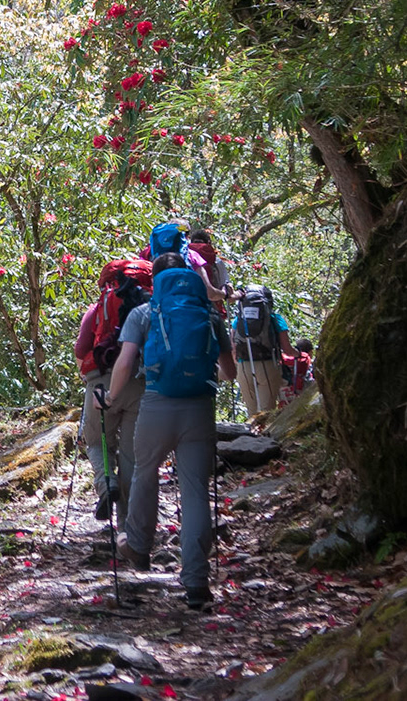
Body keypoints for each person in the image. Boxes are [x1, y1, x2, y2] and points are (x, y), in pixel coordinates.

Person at [105, 252, 236, 610]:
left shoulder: (144, 313)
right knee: (195, 491)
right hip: (200, 410)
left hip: (156, 403)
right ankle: (196, 581)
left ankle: (139, 547)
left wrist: (111, 398)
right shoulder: (210, 315)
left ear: (156, 281)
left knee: (145, 474)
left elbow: (125, 362)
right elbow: (231, 372)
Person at [75, 258, 147, 520]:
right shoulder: (148, 307)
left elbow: (81, 350)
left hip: (100, 380)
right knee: (130, 456)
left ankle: (106, 484)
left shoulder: (96, 310)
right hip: (139, 382)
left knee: (96, 441)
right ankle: (127, 527)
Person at [229, 284, 291, 415]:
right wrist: (299, 354)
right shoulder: (275, 318)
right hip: (268, 365)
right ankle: (264, 435)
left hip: (243, 366)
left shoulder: (239, 320)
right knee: (266, 412)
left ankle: (251, 434)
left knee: (252, 412)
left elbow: (232, 346)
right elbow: (287, 349)